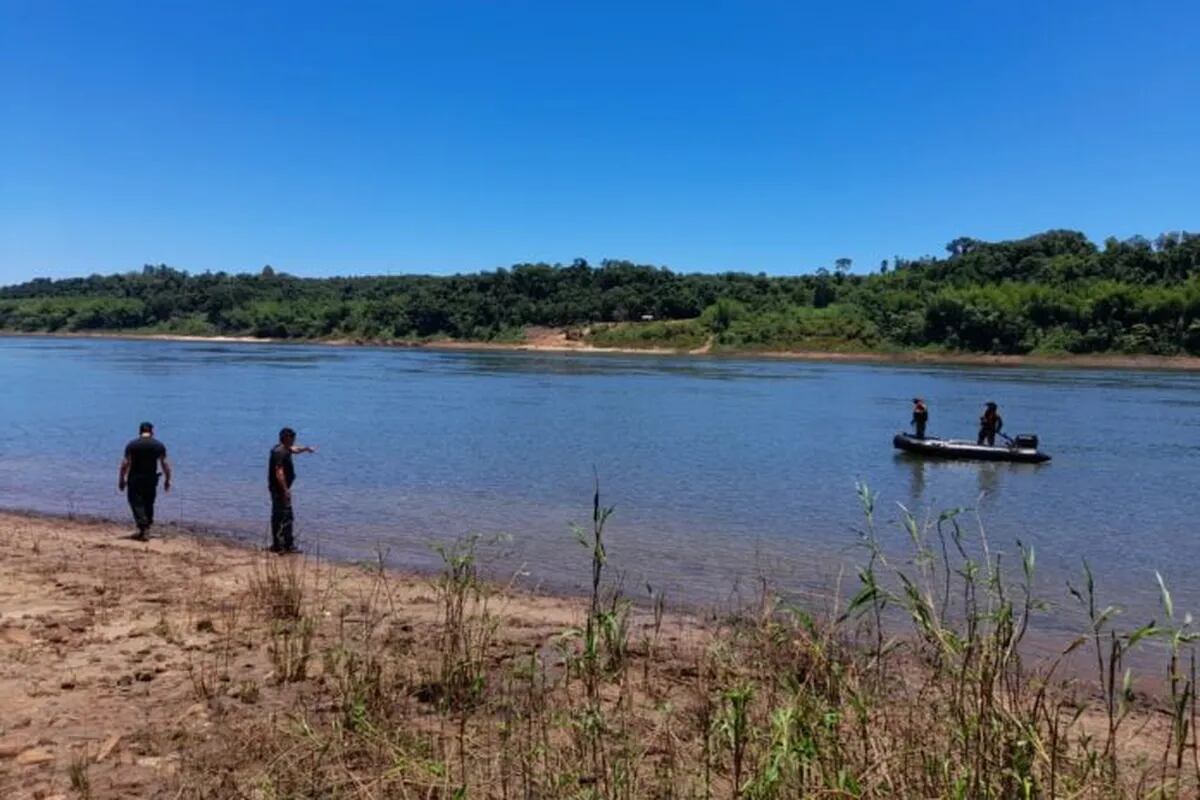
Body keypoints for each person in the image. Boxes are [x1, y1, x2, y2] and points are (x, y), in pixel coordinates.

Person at [118, 421, 171, 540]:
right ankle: (146, 527)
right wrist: (167, 480)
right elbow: (165, 464)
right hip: (151, 478)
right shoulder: (158, 445)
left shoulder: (132, 445)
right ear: (152, 431)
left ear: (140, 431)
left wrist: (121, 479)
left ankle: (143, 528)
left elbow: (125, 463)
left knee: (136, 502)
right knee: (149, 502)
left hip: (135, 478)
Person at [268, 427, 317, 554]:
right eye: (293, 438)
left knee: (279, 515)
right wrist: (285, 490)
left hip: (278, 489)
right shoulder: (280, 452)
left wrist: (306, 449)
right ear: (286, 438)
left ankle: (278, 544)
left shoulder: (283, 448)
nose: (294, 441)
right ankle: (286, 545)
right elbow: (279, 472)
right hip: (279, 489)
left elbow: (294, 450)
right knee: (286, 516)